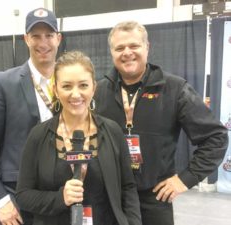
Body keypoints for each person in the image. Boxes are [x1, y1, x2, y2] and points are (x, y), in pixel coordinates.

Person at [94, 21, 229, 225]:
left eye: (134, 46)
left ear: (147, 47)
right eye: (119, 48)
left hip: (155, 200)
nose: (127, 52)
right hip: (110, 199)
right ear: (111, 52)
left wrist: (185, 179)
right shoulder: (97, 91)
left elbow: (216, 138)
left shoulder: (174, 89)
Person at [15, 51, 142, 225]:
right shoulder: (38, 136)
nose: (76, 94)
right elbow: (23, 195)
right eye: (67, 86)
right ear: (56, 89)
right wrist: (61, 198)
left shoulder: (112, 131)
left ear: (94, 88)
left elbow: (128, 187)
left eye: (83, 85)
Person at [0, 7, 62, 225]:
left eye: (49, 35)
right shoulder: (4, 83)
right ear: (26, 39)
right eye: (36, 36)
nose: (43, 43)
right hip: (18, 201)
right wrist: (1, 202)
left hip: (62, 198)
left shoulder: (70, 83)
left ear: (58, 38)